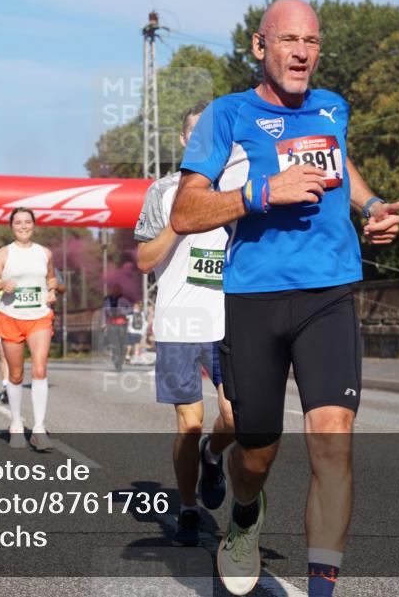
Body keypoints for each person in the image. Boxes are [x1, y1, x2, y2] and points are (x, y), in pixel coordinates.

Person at [170, 0, 399, 596]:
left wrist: (370, 205)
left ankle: (323, 589)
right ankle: (244, 515)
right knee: (257, 452)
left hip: (328, 290)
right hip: (255, 298)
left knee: (333, 438)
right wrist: (261, 192)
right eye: (289, 40)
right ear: (259, 46)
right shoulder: (226, 116)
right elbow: (185, 210)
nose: (302, 53)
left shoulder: (332, 107)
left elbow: (339, 163)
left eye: (313, 42)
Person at [135, 100, 237, 547]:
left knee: (235, 416)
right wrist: (180, 220)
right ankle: (189, 509)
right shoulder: (162, 192)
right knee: (188, 423)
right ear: (183, 140)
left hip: (229, 322)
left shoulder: (238, 186)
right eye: (196, 135)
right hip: (178, 322)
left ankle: (213, 458)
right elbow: (143, 260)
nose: (204, 143)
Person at [0, 207, 58, 451]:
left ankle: (38, 429)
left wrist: (53, 291)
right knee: (16, 375)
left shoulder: (45, 253)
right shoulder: (3, 254)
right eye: (18, 223)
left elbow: (51, 279)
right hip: (11, 317)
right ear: (11, 226)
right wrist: (2, 284)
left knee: (39, 368)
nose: (23, 226)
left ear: (34, 225)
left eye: (27, 222)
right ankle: (15, 423)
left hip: (39, 317)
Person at [102, 284, 131, 367]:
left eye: (117, 289)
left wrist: (123, 312)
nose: (115, 291)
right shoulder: (108, 300)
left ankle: (121, 360)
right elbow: (104, 312)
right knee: (115, 343)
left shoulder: (124, 300)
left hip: (122, 323)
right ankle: (116, 360)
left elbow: (130, 310)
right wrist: (103, 323)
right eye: (114, 289)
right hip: (112, 323)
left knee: (122, 343)